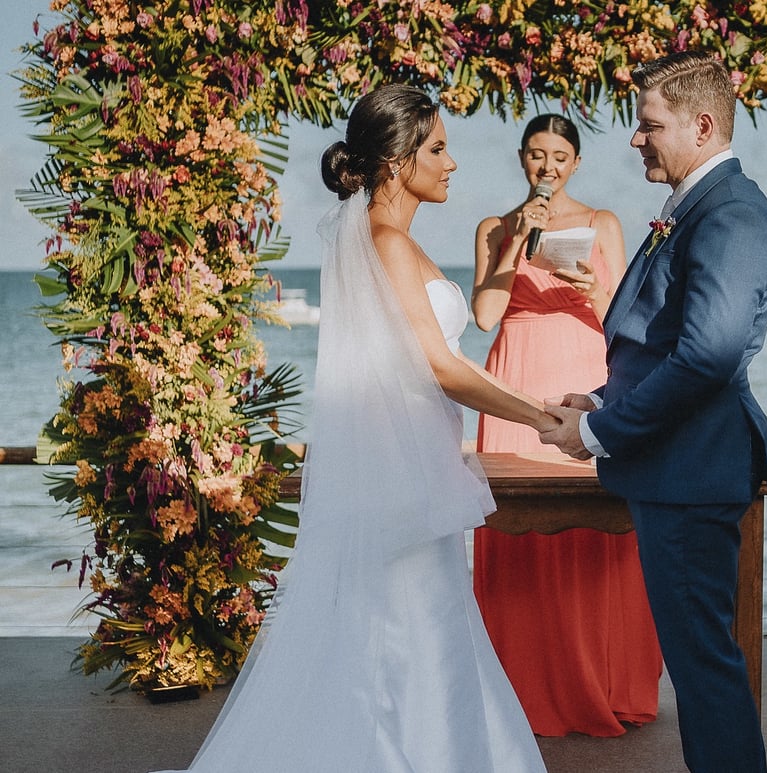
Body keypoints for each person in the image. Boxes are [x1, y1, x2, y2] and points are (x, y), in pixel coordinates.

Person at [153, 84, 552, 773]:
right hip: (405, 483)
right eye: (437, 148)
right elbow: (441, 367)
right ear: (396, 163)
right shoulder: (388, 244)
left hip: (409, 471)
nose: (452, 163)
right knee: (419, 638)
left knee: (411, 639)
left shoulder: (376, 240)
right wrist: (542, 418)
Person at [540, 51, 767, 773]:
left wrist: (597, 430)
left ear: (702, 124)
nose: (634, 139)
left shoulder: (732, 213)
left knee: (705, 670)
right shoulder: (698, 206)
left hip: (692, 472)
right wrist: (603, 397)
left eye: (649, 125)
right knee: (699, 663)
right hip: (676, 469)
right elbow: (666, 342)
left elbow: (708, 359)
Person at [470, 114, 662, 737]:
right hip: (515, 379)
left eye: (558, 156)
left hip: (583, 368)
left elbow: (626, 324)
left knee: (597, 529)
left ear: (575, 162)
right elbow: (484, 314)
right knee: (517, 525)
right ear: (522, 159)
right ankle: (520, 686)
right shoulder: (495, 226)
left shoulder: (603, 223)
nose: (546, 166)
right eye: (535, 155)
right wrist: (512, 242)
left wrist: (590, 285)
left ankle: (600, 680)